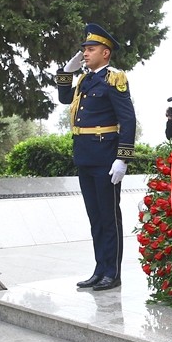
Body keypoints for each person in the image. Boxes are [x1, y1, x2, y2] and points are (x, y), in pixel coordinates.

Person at [56, 23, 137, 291]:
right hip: (86, 156)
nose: (85, 54)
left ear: (106, 53)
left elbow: (127, 118)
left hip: (105, 156)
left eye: (90, 50)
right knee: (95, 218)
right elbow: (65, 98)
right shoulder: (85, 80)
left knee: (108, 217)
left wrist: (122, 158)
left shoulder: (114, 78)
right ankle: (99, 269)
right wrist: (67, 71)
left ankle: (112, 273)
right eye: (84, 50)